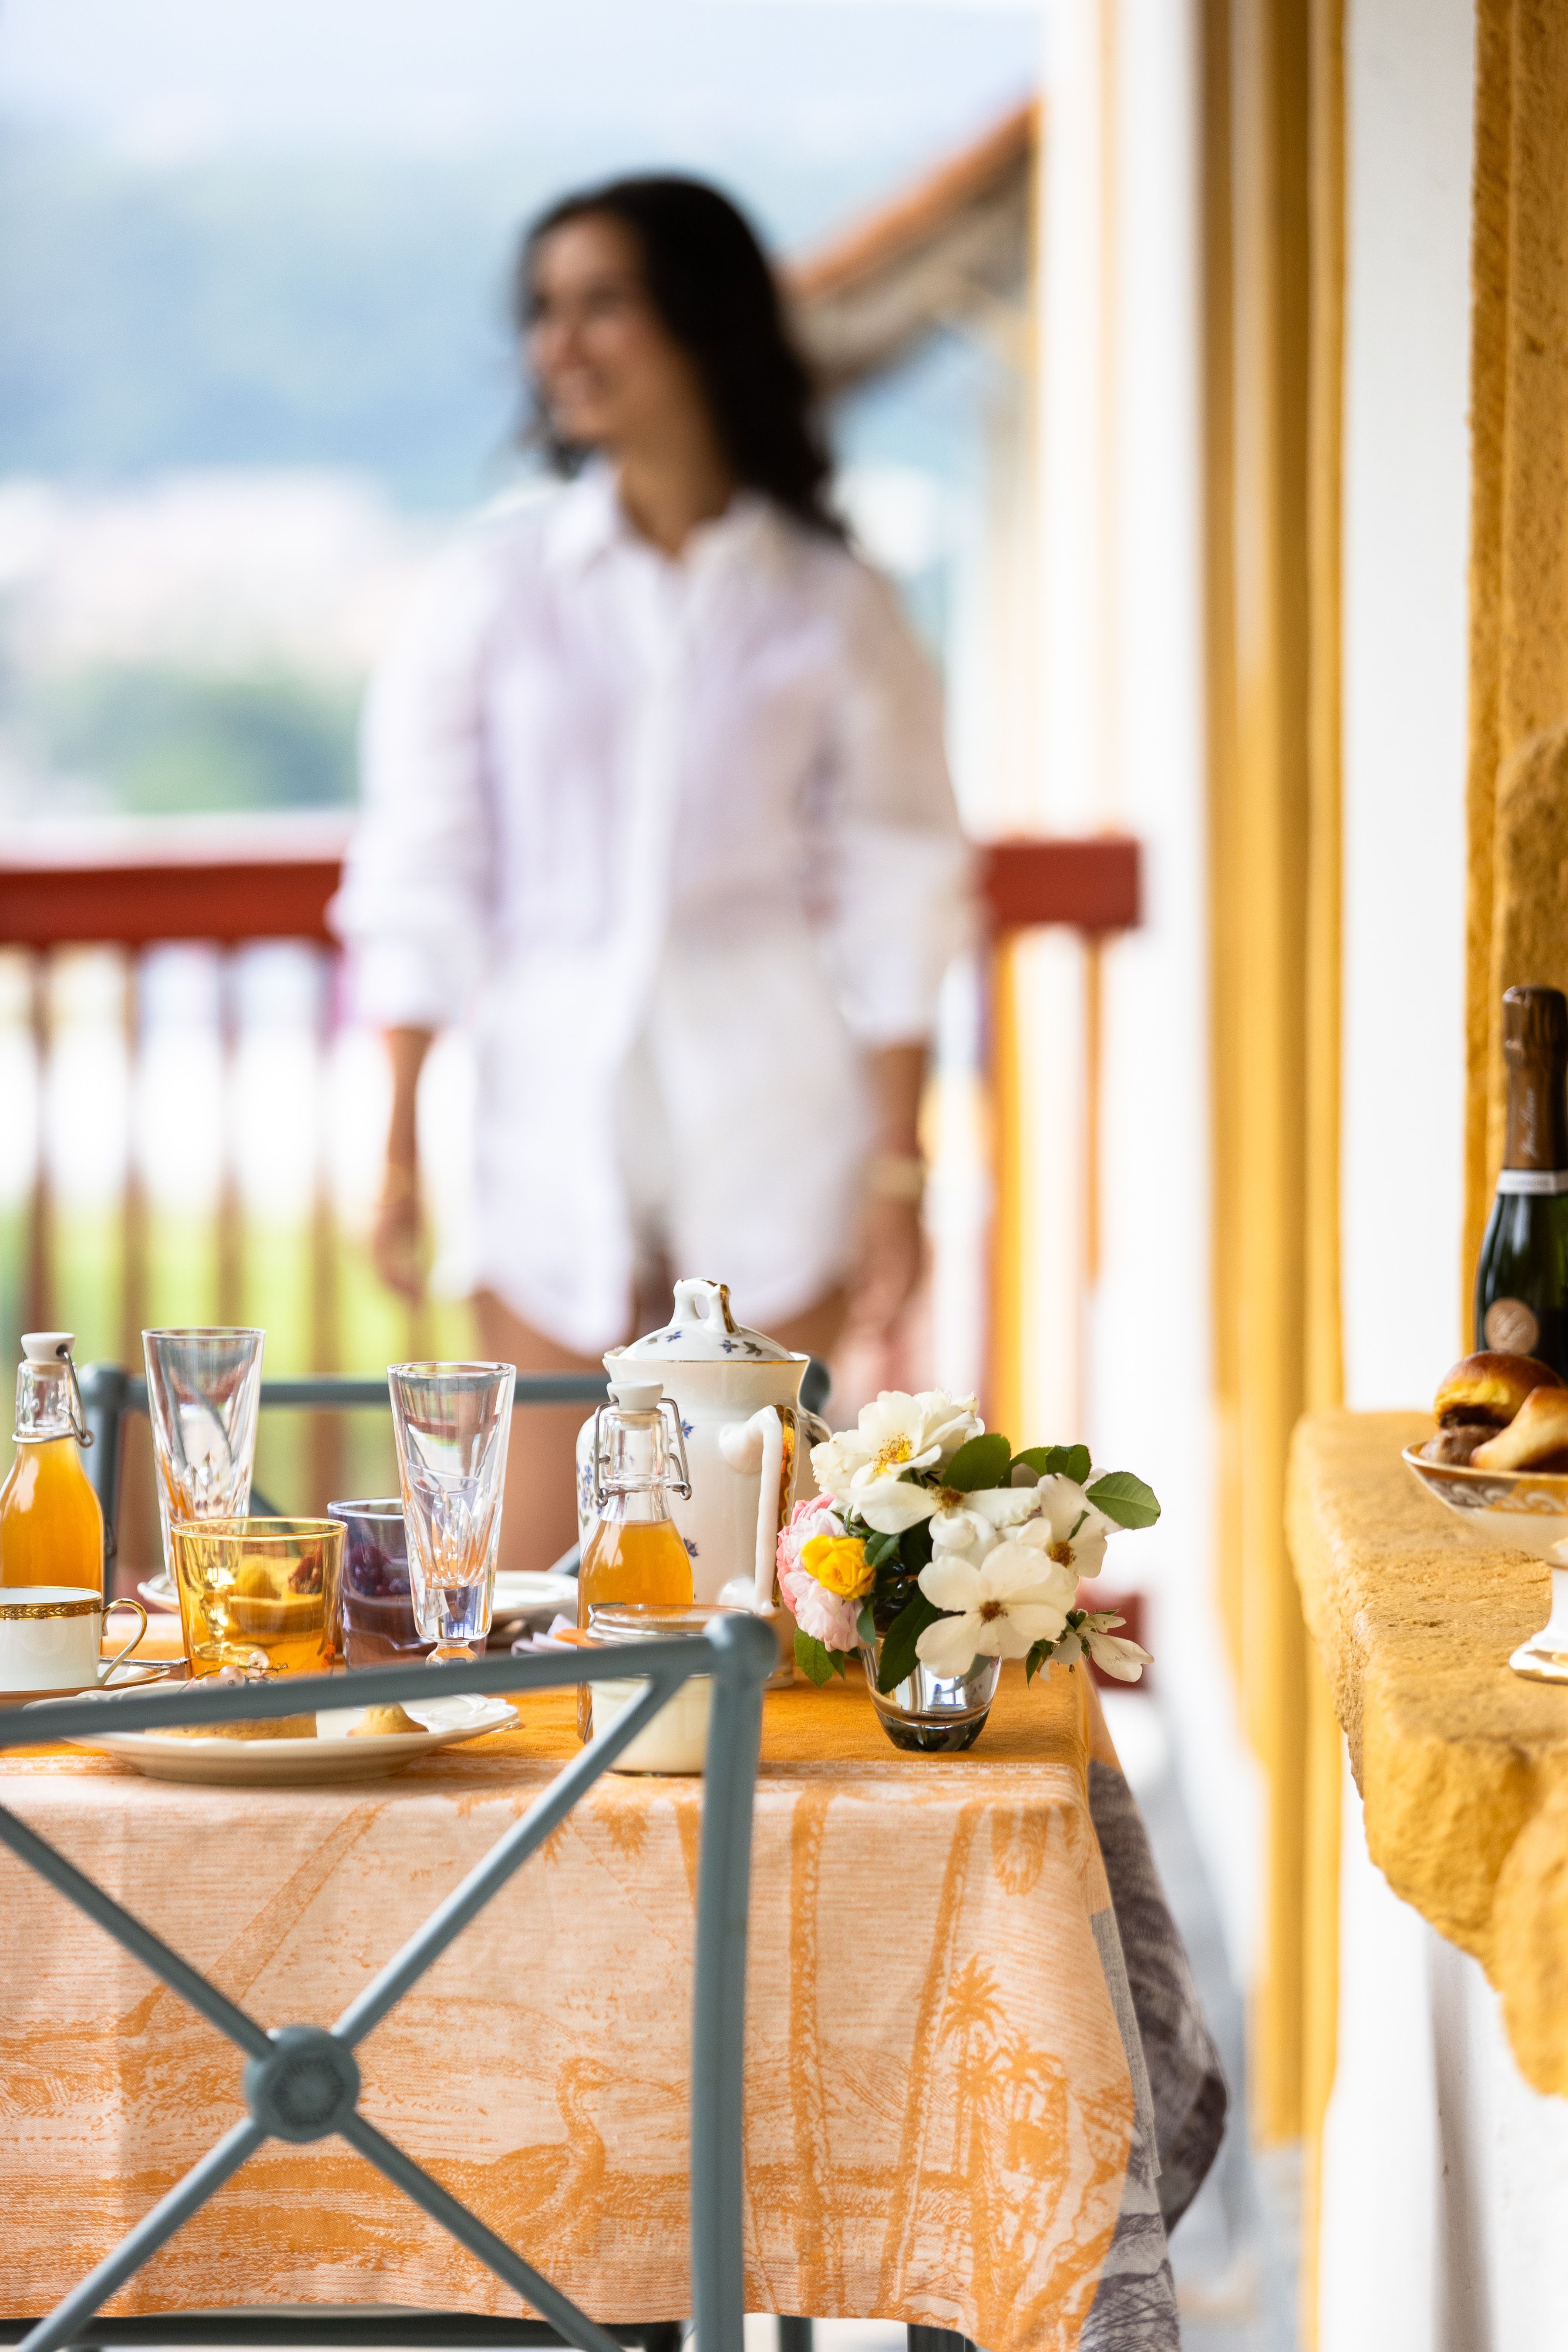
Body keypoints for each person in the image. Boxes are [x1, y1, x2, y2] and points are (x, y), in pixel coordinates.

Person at [332, 174, 971, 1572]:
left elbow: (902, 882)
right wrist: (396, 1139)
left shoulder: (833, 601)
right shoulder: (493, 593)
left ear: (701, 321)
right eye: (542, 310)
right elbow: (423, 869)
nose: (557, 343)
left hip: (776, 1114)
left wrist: (897, 1166)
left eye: (602, 303)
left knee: (755, 1574)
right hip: (543, 1120)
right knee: (526, 1571)